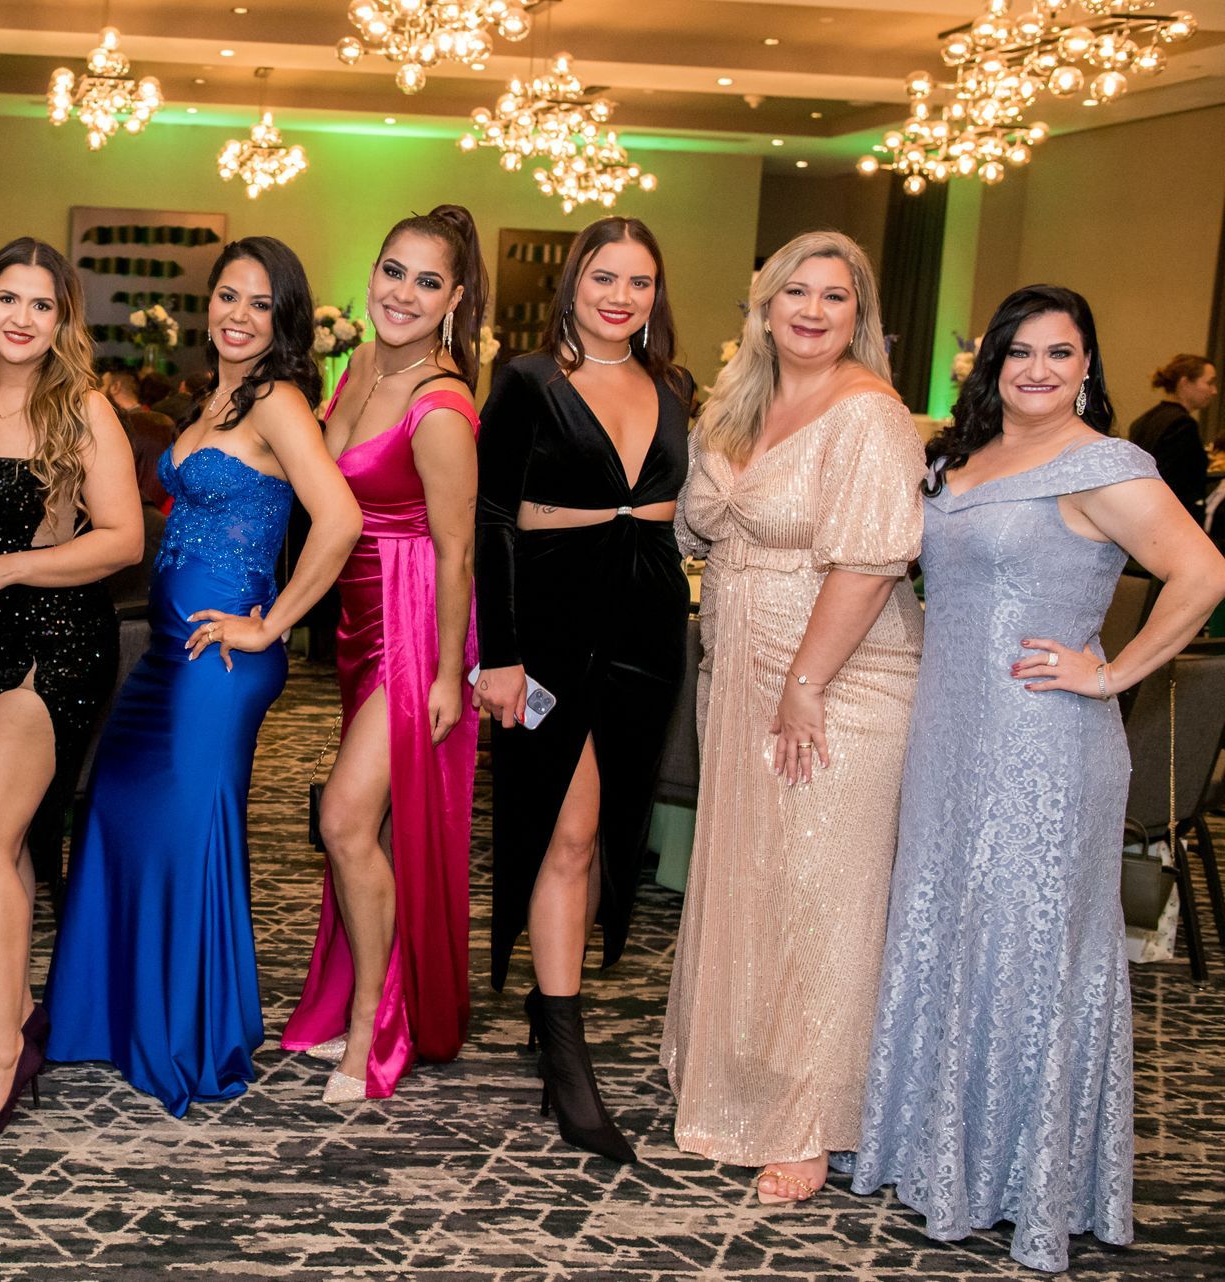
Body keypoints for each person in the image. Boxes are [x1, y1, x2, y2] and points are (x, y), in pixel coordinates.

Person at [853, 287, 1225, 1272]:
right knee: (948, 924)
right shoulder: (956, 461)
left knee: (1030, 947)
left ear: (1089, 365)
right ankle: (946, 1160)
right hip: (949, 735)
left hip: (1046, 742)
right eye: (1020, 353)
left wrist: (1109, 670)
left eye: (1061, 353)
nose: (1039, 371)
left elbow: (1202, 572)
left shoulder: (1106, 464)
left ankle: (1028, 1181)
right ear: (994, 365)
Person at [42, 237, 361, 1116]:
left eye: (260, 303)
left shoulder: (281, 401)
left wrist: (273, 625)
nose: (237, 315)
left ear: (284, 319)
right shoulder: (213, 399)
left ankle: (185, 1033)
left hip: (221, 660)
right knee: (115, 811)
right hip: (166, 655)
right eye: (227, 296)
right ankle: (115, 1016)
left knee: (190, 835)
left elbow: (338, 518)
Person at [663, 230, 925, 1203]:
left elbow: (869, 563)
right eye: (795, 293)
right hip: (739, 672)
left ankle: (813, 1120)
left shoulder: (871, 414)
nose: (813, 311)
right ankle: (745, 1079)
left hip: (837, 679)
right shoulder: (740, 405)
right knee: (756, 880)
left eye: (836, 297)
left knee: (823, 897)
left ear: (862, 317)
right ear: (763, 306)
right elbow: (695, 525)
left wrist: (807, 681)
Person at [471, 216, 695, 1159]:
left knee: (610, 828)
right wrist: (502, 653)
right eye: (604, 277)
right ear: (572, 284)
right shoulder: (526, 381)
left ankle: (551, 997)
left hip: (649, 625)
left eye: (639, 282)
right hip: (551, 630)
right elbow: (490, 519)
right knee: (561, 828)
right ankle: (565, 1048)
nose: (621, 296)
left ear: (655, 297)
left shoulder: (675, 388)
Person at [0, 237, 142, 1142]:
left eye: (42, 304)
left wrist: (8, 568)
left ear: (64, 321)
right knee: (5, 838)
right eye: (7, 298)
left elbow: (126, 540)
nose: (22, 317)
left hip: (51, 642)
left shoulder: (83, 409)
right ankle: (20, 1015)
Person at [279, 205, 486, 1105]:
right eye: (392, 271)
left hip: (414, 621)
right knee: (363, 829)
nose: (403, 293)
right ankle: (350, 1002)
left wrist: (447, 675)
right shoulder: (358, 361)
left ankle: (375, 1027)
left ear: (455, 299)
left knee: (345, 821)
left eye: (427, 281)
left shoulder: (442, 405)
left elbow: (458, 552)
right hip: (358, 621)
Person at [1126, 353, 1217, 523]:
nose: (1214, 391)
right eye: (1209, 382)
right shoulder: (1182, 424)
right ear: (1185, 383)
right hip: (1169, 519)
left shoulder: (1143, 420)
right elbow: (1176, 484)